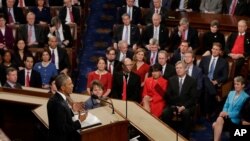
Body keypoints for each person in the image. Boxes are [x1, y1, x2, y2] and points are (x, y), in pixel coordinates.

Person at [162, 61, 197, 139]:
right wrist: (174, 107)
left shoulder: (192, 81)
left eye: (180, 68)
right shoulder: (171, 80)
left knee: (186, 113)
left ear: (185, 69)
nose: (178, 70)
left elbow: (193, 98)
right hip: (173, 105)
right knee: (165, 112)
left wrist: (183, 107)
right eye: (177, 68)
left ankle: (185, 137)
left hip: (186, 106)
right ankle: (167, 134)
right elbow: (168, 96)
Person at [47, 73, 87, 141]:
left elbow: (63, 116)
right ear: (63, 88)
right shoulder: (57, 104)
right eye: (70, 84)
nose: (73, 85)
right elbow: (63, 129)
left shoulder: (58, 98)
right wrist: (79, 121)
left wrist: (72, 110)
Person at [212, 76, 249, 141]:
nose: (235, 86)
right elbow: (226, 105)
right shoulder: (231, 93)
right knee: (217, 122)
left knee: (215, 124)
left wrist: (227, 114)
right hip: (226, 117)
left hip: (235, 120)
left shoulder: (246, 97)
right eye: (235, 84)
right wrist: (224, 113)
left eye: (238, 84)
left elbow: (240, 113)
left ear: (243, 85)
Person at [199, 42, 228, 119]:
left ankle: (206, 112)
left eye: (217, 50)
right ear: (211, 49)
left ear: (220, 51)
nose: (214, 51)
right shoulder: (205, 59)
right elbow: (199, 71)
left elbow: (225, 76)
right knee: (205, 78)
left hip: (214, 83)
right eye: (213, 49)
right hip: (203, 80)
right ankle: (215, 95)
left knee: (206, 90)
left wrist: (216, 81)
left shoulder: (224, 62)